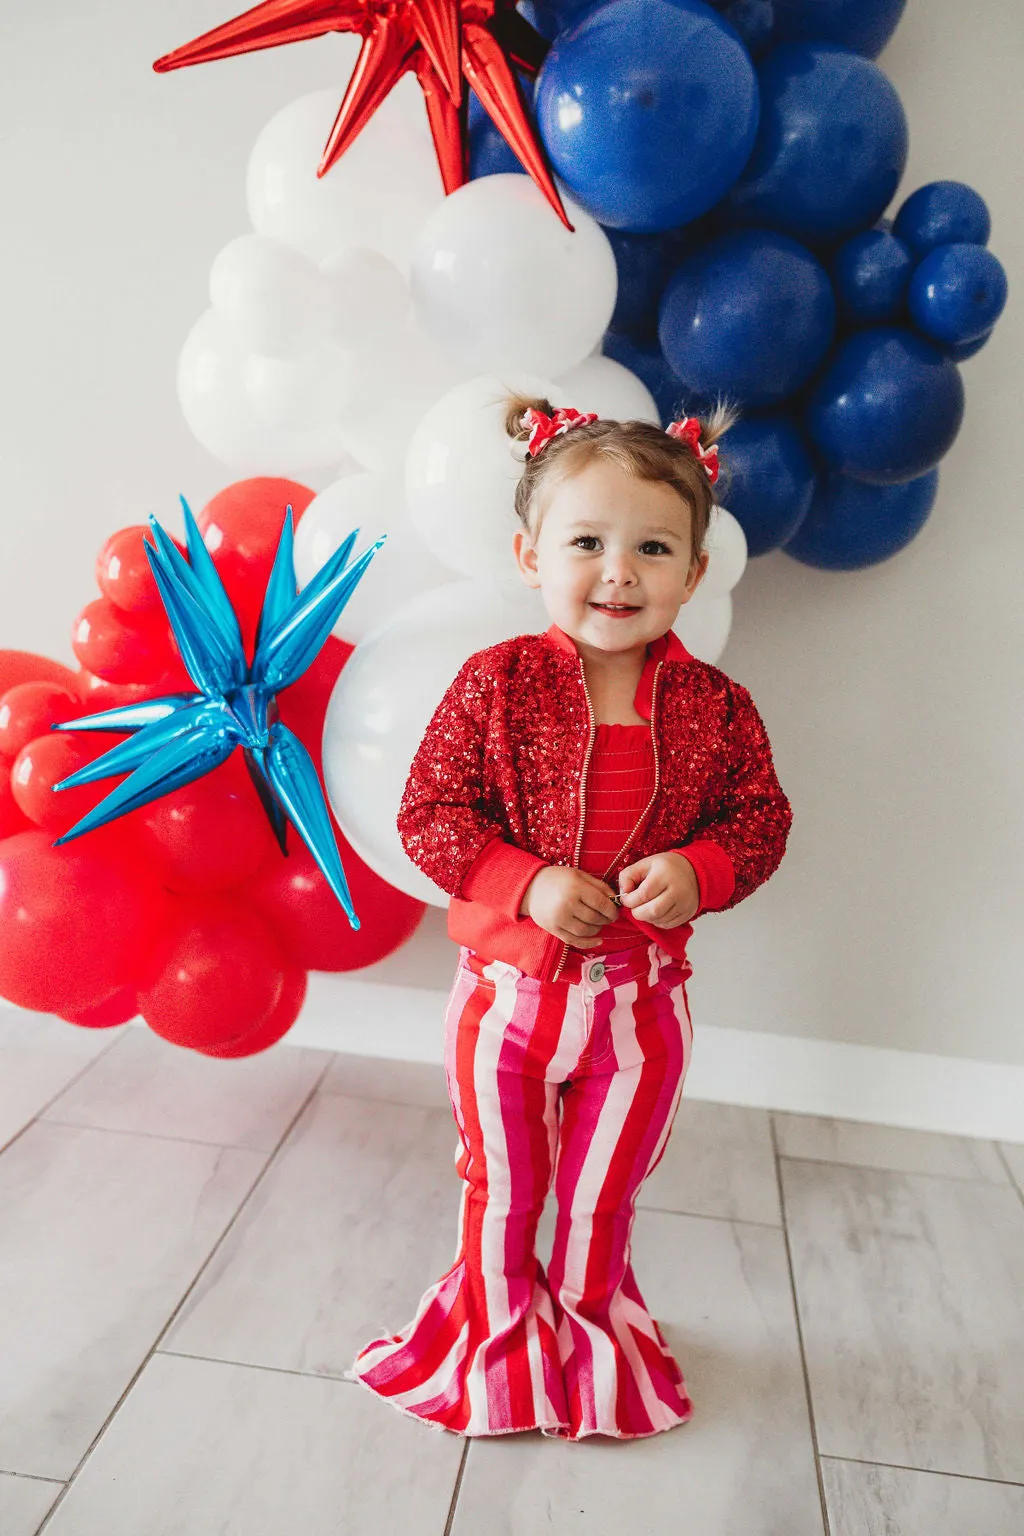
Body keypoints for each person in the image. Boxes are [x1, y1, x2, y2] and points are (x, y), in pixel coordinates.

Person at [347, 395, 793, 1441]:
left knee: (601, 1191)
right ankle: (495, 1340)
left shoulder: (718, 709)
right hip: (506, 1003)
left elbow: (761, 819)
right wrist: (526, 882)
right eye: (586, 542)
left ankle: (590, 1333)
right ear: (529, 553)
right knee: (502, 1183)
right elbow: (429, 816)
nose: (618, 572)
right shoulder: (493, 686)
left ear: (693, 572)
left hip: (639, 1013)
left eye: (651, 548)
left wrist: (704, 866)